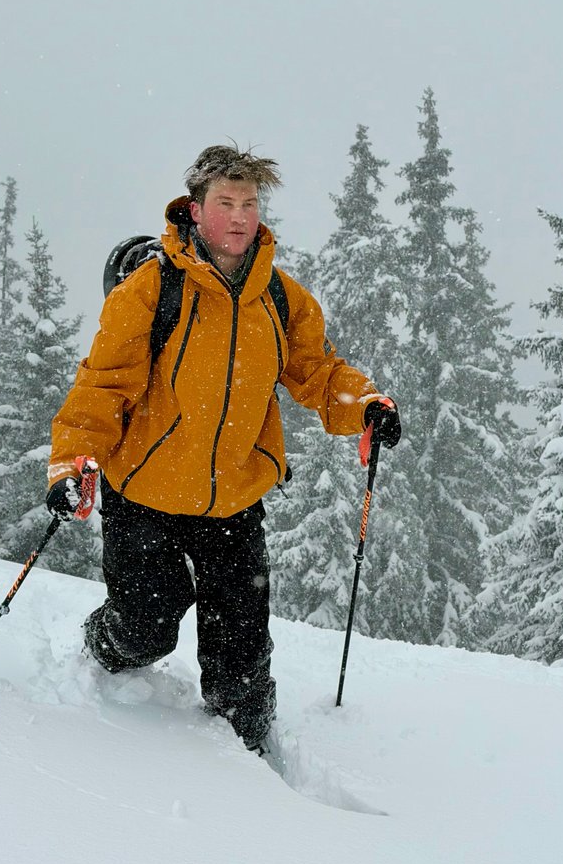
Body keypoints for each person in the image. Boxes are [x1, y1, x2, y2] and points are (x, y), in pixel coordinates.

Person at [46, 145, 401, 752]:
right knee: (143, 632)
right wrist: (73, 462)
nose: (239, 217)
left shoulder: (280, 298)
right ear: (197, 208)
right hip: (144, 494)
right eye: (225, 203)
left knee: (242, 658)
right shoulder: (151, 291)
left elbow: (316, 371)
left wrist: (365, 404)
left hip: (234, 499)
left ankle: (254, 769)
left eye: (250, 203)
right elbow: (102, 386)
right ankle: (103, 646)